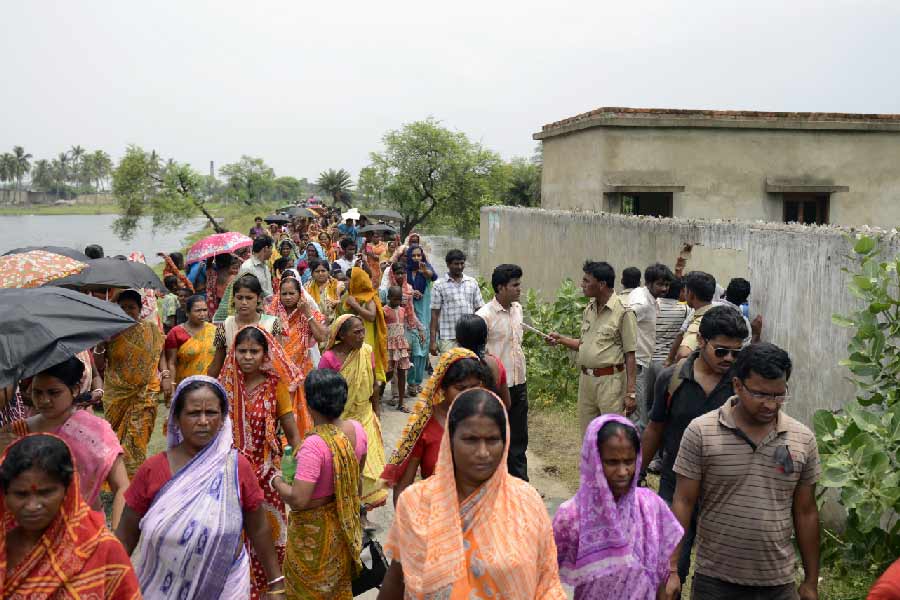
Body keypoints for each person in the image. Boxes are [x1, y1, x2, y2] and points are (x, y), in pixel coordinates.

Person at [378, 388, 567, 599]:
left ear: (505, 442)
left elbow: (547, 582)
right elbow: (395, 581)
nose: (483, 452)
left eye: (493, 439)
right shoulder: (416, 502)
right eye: (470, 440)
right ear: (450, 440)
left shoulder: (526, 502)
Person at [666, 343, 820, 600]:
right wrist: (671, 567)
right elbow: (683, 501)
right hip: (715, 582)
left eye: (778, 395)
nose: (771, 405)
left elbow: (806, 512)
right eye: (761, 395)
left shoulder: (801, 439)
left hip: (778, 584)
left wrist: (811, 582)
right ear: (737, 385)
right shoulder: (702, 432)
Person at [117, 376, 285, 599]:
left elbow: (258, 528)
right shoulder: (153, 469)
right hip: (162, 590)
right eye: (194, 413)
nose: (204, 421)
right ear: (177, 418)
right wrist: (110, 581)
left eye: (212, 413)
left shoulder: (236, 468)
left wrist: (276, 582)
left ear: (223, 418)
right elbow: (125, 535)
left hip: (225, 587)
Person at [641, 305, 748, 582]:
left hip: (725, 493)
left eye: (736, 353)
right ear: (701, 341)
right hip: (675, 486)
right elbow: (655, 428)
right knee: (669, 569)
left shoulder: (744, 383)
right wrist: (636, 472)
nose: (729, 359)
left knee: (722, 576)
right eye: (721, 351)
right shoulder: (671, 378)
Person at [553, 415, 683, 599]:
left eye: (629, 461)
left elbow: (665, 557)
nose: (623, 472)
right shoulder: (572, 515)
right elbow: (546, 573)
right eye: (612, 462)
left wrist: (671, 574)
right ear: (594, 461)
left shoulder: (649, 505)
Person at [218, 325, 306, 598]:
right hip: (230, 475)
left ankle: (273, 589)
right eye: (242, 351)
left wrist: (300, 471)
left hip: (266, 475)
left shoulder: (274, 385)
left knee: (269, 538)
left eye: (253, 351)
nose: (247, 357)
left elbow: (292, 432)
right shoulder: (224, 387)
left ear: (264, 353)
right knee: (234, 539)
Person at [0, 435, 140, 599]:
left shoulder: (101, 549)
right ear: (5, 495)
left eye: (46, 492)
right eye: (20, 494)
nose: (33, 506)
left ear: (68, 490)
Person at [272, 369, 366, 599]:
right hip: (342, 526)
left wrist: (275, 480)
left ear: (310, 405)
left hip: (314, 536)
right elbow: (357, 478)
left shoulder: (314, 446)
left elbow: (299, 499)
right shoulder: (357, 430)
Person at [0, 357, 127, 525]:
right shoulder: (16, 431)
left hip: (84, 532)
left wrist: (118, 540)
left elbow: (122, 487)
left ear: (75, 390)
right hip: (29, 534)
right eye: (37, 392)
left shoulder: (95, 432)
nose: (44, 400)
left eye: (53, 392)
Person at [381, 348, 491, 505]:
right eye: (460, 388)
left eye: (474, 386)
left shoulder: (488, 419)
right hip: (435, 515)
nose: (468, 394)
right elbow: (404, 488)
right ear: (443, 387)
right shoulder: (425, 422)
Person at [548, 261, 638, 436]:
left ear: (602, 284)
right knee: (588, 436)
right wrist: (561, 339)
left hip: (610, 383)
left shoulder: (624, 312)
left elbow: (631, 355)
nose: (582, 285)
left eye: (586, 281)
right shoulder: (589, 309)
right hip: (586, 382)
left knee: (611, 435)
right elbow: (584, 345)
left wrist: (631, 393)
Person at [318, 315, 389, 511]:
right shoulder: (329, 359)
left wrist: (377, 413)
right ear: (342, 335)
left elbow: (373, 385)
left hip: (365, 416)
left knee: (369, 469)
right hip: (341, 421)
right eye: (356, 332)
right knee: (344, 469)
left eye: (362, 331)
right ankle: (347, 510)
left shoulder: (367, 352)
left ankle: (362, 510)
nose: (361, 336)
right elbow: (322, 393)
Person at [97, 289, 168, 477]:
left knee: (137, 439)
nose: (128, 311)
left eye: (132, 307)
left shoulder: (151, 329)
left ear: (140, 309)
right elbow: (99, 365)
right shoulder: (109, 331)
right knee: (115, 440)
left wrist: (166, 376)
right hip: (117, 395)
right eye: (123, 307)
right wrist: (100, 344)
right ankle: (118, 478)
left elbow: (159, 354)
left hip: (145, 393)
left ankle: (134, 481)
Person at [477, 263, 529, 480]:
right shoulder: (484, 316)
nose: (519, 289)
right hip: (497, 387)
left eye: (519, 284)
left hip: (519, 383)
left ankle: (520, 485)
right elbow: (478, 354)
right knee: (496, 436)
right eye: (515, 285)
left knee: (519, 438)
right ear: (500, 288)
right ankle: (495, 483)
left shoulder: (518, 309)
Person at [627, 263, 675, 428]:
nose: (664, 289)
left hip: (641, 360)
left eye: (667, 285)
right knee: (638, 414)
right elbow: (624, 322)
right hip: (637, 362)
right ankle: (637, 452)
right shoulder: (643, 304)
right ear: (649, 282)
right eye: (660, 284)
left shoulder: (640, 292)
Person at [207, 274, 283, 378]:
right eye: (239, 298)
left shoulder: (272, 324)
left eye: (249, 298)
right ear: (233, 299)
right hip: (233, 386)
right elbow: (217, 363)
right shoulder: (225, 326)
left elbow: (279, 361)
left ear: (259, 298)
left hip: (266, 386)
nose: (244, 302)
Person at [265, 275, 328, 395]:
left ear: (299, 294)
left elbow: (322, 337)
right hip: (278, 370)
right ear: (279, 294)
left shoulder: (308, 313)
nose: (288, 297)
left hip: (302, 370)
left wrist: (307, 314)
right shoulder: (271, 313)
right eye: (284, 294)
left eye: (292, 293)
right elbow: (266, 343)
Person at [429, 249, 484, 355]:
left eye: (462, 263)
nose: (459, 267)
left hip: (470, 336)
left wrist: (482, 335)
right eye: (456, 264)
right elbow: (434, 315)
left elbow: (480, 310)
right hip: (448, 337)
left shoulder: (472, 282)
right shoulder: (439, 285)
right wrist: (432, 341)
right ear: (448, 264)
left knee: (470, 368)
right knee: (450, 368)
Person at [341, 266, 389, 386]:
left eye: (349, 280)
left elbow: (371, 316)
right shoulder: (347, 296)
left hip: (366, 339)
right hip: (349, 338)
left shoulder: (368, 297)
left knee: (367, 370)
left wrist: (355, 305)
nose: (346, 283)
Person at [454, 314, 511, 408]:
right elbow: (507, 404)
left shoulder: (453, 365)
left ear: (457, 339)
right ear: (486, 337)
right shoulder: (496, 363)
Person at [164, 294, 218, 386]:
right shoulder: (175, 333)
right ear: (187, 313)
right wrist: (172, 384)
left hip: (211, 384)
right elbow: (171, 363)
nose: (202, 314)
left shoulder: (216, 330)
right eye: (197, 311)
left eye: (204, 310)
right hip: (185, 385)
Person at [384, 286, 422, 412]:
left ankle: (401, 402)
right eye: (394, 299)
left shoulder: (402, 310)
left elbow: (406, 325)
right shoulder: (384, 311)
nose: (397, 302)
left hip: (401, 345)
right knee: (388, 373)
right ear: (389, 298)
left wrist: (409, 341)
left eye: (399, 299)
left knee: (402, 372)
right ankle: (378, 392)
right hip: (388, 345)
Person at [406, 244, 438, 393]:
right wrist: (411, 294)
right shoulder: (404, 271)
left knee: (422, 349)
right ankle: (409, 381)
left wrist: (425, 271)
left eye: (419, 255)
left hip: (423, 313)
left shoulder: (425, 270)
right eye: (414, 255)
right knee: (411, 349)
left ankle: (416, 381)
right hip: (407, 314)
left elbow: (434, 276)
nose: (417, 258)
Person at [670, 271, 717, 363]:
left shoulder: (700, 322)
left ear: (691, 294)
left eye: (685, 291)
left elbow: (683, 354)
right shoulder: (716, 313)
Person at [723, 277, 762, 344]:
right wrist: (755, 333)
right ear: (745, 300)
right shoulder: (743, 323)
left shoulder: (710, 307)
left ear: (726, 291)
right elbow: (745, 350)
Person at [306, 258, 342, 325]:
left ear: (328, 272)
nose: (320, 273)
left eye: (323, 271)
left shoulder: (338, 285)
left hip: (335, 323)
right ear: (312, 273)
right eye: (317, 271)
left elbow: (344, 303)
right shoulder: (307, 288)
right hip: (315, 324)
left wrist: (336, 302)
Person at [239, 236, 275, 300]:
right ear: (266, 249)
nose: (272, 252)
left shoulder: (265, 266)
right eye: (271, 249)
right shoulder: (247, 267)